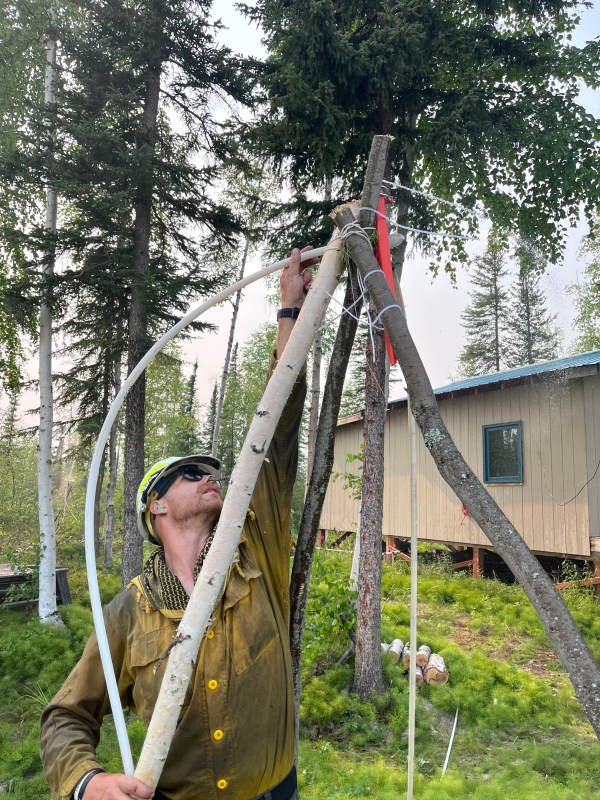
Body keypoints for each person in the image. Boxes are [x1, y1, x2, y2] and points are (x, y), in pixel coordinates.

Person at [40, 247, 316, 800]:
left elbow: (278, 422)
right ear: (156, 508)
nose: (210, 475)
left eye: (211, 470)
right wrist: (85, 784)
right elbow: (66, 717)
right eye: (191, 474)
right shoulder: (129, 611)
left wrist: (291, 312)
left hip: (274, 791)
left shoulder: (255, 554)